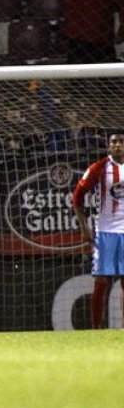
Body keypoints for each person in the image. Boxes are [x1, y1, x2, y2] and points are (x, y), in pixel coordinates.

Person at [72, 133, 124, 329]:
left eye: (121, 142)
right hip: (106, 232)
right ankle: (97, 329)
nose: (118, 145)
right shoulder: (99, 167)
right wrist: (85, 229)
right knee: (102, 281)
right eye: (114, 142)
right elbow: (77, 197)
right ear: (108, 146)